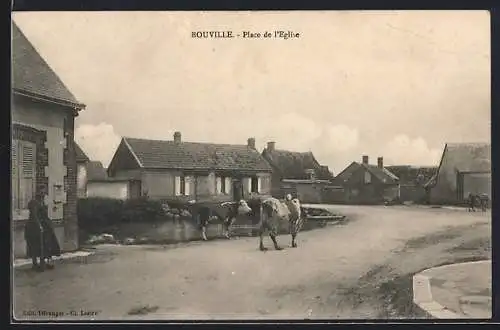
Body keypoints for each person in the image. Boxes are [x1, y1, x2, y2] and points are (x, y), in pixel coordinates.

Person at [24, 190, 61, 271]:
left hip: (43, 226)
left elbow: (44, 215)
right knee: (35, 245)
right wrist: (39, 226)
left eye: (44, 193)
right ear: (37, 193)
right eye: (41, 193)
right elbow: (34, 215)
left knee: (45, 244)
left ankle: (44, 262)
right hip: (33, 227)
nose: (43, 195)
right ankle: (35, 264)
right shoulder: (34, 202)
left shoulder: (42, 202)